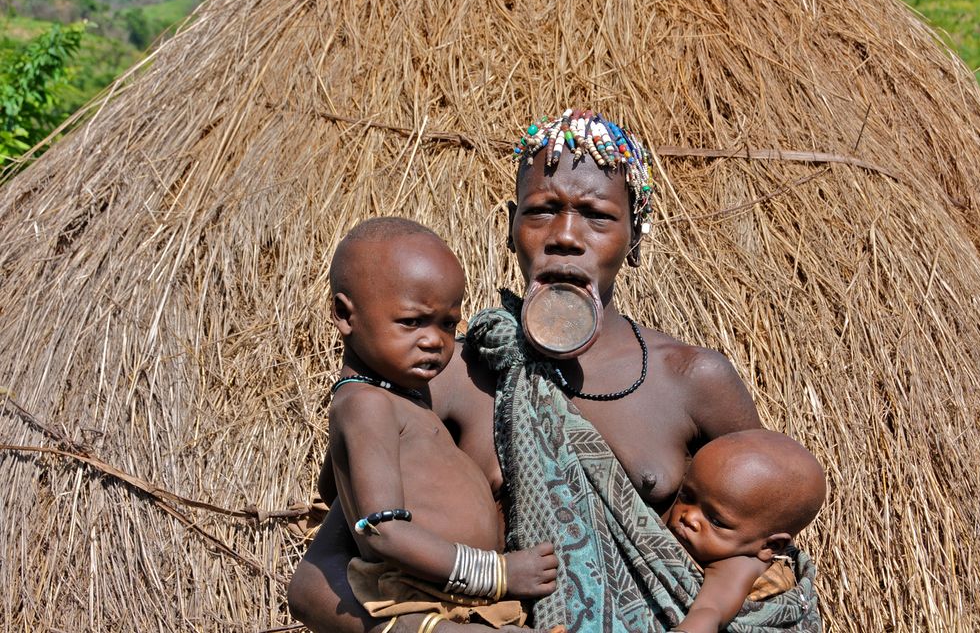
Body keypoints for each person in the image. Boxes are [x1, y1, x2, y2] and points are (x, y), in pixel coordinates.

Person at [288, 110, 820, 632]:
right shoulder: (446, 374)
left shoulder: (691, 380)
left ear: (636, 236)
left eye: (597, 215)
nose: (566, 234)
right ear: (512, 226)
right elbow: (320, 580)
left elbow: (762, 547)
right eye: (543, 210)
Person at [323, 217, 560, 632]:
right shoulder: (366, 404)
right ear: (346, 315)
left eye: (448, 324)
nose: (435, 340)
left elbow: (333, 488)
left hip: (448, 595)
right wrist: (500, 573)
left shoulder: (393, 398)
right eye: (412, 321)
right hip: (419, 599)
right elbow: (381, 531)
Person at [665, 430, 826, 633]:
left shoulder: (738, 565)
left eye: (715, 520)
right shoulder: (731, 540)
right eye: (687, 497)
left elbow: (709, 612)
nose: (689, 517)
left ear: (770, 546)